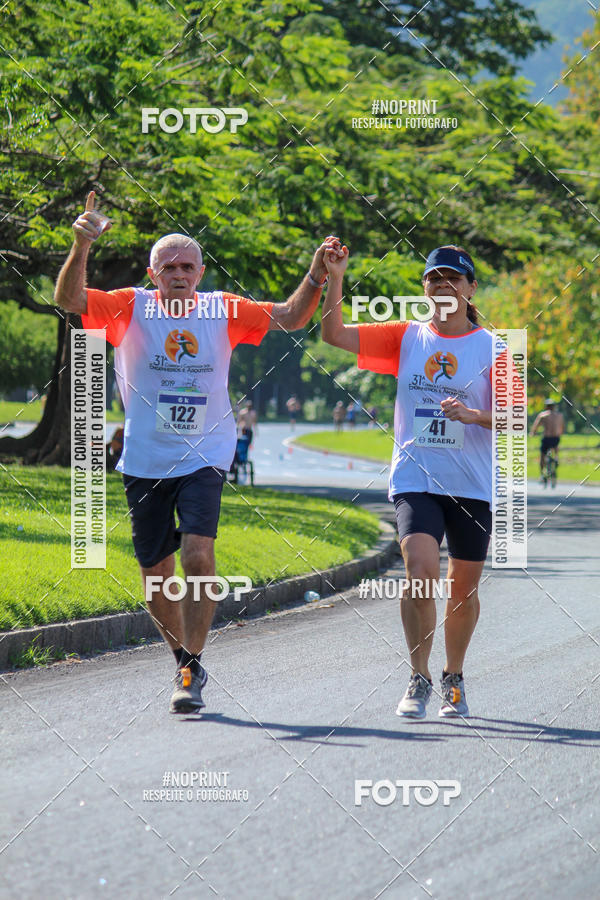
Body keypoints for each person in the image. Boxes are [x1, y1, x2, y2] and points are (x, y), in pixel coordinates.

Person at [55, 191, 337, 714]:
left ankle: (191, 664)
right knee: (156, 580)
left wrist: (318, 272)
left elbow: (293, 317)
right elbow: (70, 299)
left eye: (187, 265)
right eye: (169, 266)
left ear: (201, 272)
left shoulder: (222, 310)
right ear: (152, 272)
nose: (179, 273)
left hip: (206, 453)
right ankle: (183, 657)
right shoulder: (128, 307)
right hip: (143, 460)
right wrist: (82, 241)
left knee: (199, 555)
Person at [322, 242, 501, 720]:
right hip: (416, 478)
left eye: (453, 278)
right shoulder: (405, 336)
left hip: (471, 487)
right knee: (420, 570)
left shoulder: (495, 347)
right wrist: (335, 277)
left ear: (469, 289)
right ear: (424, 287)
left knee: (462, 587)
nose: (443, 285)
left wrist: (472, 415)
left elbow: (517, 418)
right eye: (434, 278)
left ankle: (454, 677)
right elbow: (334, 334)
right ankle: (418, 676)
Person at [530, 399, 564, 479]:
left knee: (542, 456)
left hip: (546, 438)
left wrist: (533, 433)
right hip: (556, 438)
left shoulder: (543, 415)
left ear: (546, 407)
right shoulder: (559, 415)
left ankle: (542, 474)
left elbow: (536, 426)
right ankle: (556, 459)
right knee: (555, 448)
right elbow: (562, 427)